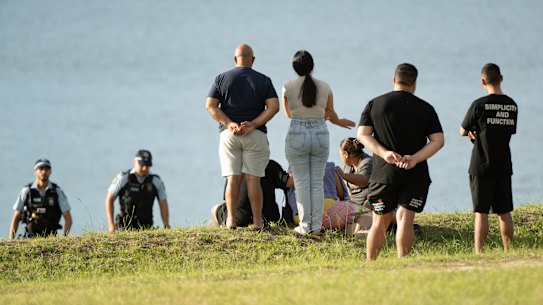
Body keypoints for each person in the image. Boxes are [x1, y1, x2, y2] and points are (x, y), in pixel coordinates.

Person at [358, 63, 444, 260]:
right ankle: (402, 263)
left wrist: (384, 152)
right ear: (414, 83)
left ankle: (370, 264)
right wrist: (415, 158)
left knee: (380, 221)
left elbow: (363, 135)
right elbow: (438, 140)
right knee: (405, 219)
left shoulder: (375, 104)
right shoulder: (426, 108)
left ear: (393, 80)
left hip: (383, 174)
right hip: (415, 173)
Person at [206, 44, 279, 230]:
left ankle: (231, 220)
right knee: (253, 179)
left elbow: (211, 106)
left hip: (229, 135)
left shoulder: (221, 78)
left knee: (232, 178)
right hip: (255, 134)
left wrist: (229, 123)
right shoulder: (263, 80)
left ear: (234, 59)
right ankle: (257, 221)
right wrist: (254, 124)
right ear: (252, 60)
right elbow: (274, 107)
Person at [282, 50, 355, 235]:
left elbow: (289, 114)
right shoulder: (325, 87)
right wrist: (340, 121)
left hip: (297, 133)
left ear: (294, 67)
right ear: (312, 66)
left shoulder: (287, 87)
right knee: (316, 182)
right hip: (320, 133)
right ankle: (315, 227)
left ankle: (305, 226)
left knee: (301, 182)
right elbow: (330, 114)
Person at [460, 63, 518, 254]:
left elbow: (463, 130)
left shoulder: (479, 105)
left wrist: (472, 133)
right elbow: (509, 131)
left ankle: (479, 252)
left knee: (481, 212)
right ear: (501, 79)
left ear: (483, 81)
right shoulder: (512, 105)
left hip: (480, 165)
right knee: (504, 211)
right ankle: (509, 251)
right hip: (503, 164)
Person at [210, 160, 293, 228]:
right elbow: (290, 182)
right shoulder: (270, 165)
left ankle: (218, 234)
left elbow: (228, 197)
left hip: (240, 219)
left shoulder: (235, 169)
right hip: (269, 218)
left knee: (215, 209)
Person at [105, 149, 170, 233]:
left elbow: (163, 204)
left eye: (147, 165)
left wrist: (166, 225)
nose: (144, 168)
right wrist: (111, 224)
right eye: (142, 164)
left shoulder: (156, 181)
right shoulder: (123, 178)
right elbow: (109, 200)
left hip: (146, 229)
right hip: (124, 228)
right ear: (134, 162)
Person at [8, 158, 73, 239]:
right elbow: (16, 216)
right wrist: (11, 240)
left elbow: (68, 218)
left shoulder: (57, 192)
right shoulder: (27, 191)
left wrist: (64, 239)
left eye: (47, 169)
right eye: (41, 169)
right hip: (30, 237)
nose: (44, 172)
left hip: (51, 238)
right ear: (35, 171)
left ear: (50, 171)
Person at [335, 137, 373, 236]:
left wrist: (343, 175)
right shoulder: (348, 167)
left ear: (346, 154)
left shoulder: (367, 162)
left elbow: (364, 180)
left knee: (367, 207)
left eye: (340, 154)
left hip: (371, 203)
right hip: (354, 206)